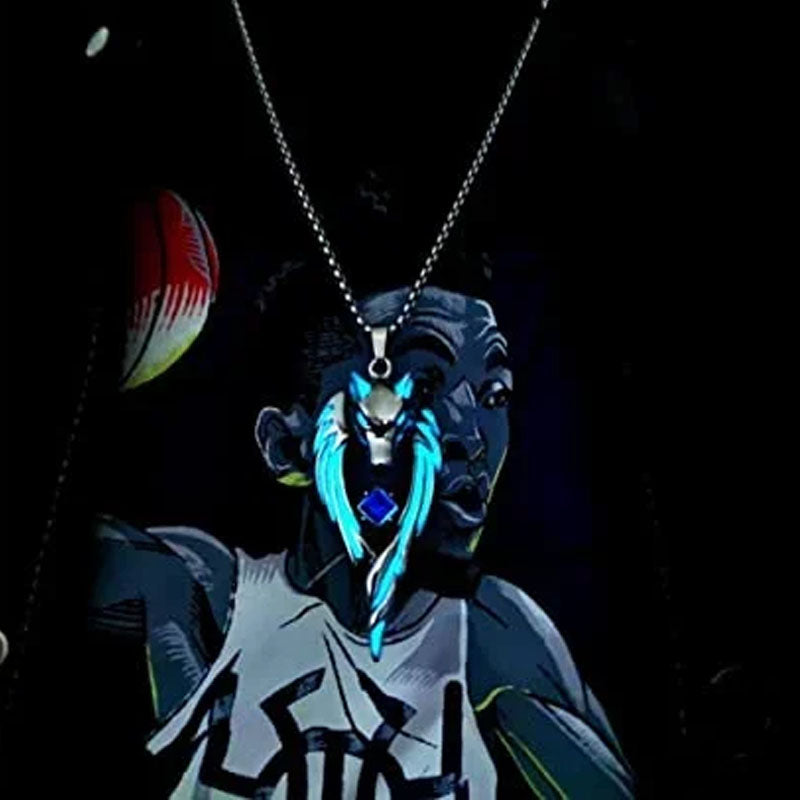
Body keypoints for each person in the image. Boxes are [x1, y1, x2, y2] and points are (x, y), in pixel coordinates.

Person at [90, 286, 635, 798]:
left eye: (494, 394)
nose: (470, 436)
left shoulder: (496, 637)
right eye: (421, 386)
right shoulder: (203, 595)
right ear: (287, 446)